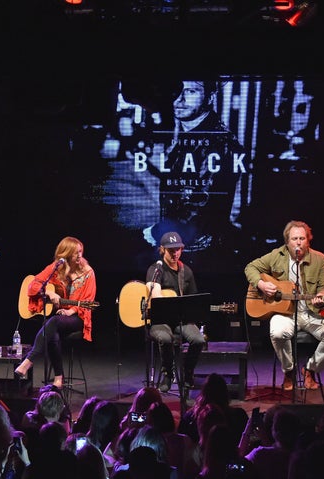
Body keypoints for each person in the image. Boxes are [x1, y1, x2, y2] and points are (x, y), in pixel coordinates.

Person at [144, 80, 248, 253]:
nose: (179, 99)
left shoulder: (218, 144)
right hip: (185, 247)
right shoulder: (191, 137)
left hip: (198, 250)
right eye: (176, 91)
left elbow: (200, 208)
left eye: (191, 91)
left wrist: (158, 232)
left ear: (210, 97)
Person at [244, 220, 324, 391]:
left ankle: (310, 369)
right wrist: (261, 284)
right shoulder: (277, 255)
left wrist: (323, 296)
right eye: (294, 238)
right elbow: (250, 267)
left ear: (308, 240)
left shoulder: (321, 260)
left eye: (302, 238)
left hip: (312, 313)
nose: (298, 242)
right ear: (287, 241)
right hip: (285, 313)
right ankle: (289, 371)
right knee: (277, 332)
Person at [14, 236, 97, 390]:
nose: (79, 256)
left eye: (81, 252)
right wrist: (49, 293)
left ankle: (29, 361)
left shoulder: (88, 272)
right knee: (53, 332)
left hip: (78, 317)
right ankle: (59, 378)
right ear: (65, 255)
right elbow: (32, 285)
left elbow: (88, 300)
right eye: (75, 253)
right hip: (60, 318)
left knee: (52, 323)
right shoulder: (56, 267)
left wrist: (70, 310)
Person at [146, 231, 205, 392]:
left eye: (177, 249)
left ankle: (187, 374)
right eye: (171, 250)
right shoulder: (156, 269)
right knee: (165, 338)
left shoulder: (186, 272)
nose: (175, 253)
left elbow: (193, 301)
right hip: (160, 321)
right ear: (162, 250)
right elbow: (154, 293)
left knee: (198, 340)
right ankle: (168, 373)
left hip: (181, 319)